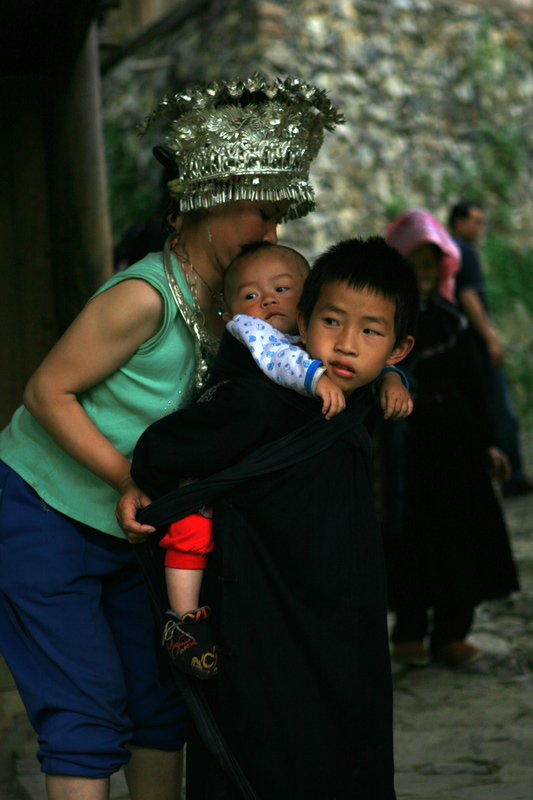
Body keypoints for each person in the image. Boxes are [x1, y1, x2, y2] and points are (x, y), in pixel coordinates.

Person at [0, 74, 342, 800]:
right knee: (86, 712)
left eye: (280, 218)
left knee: (161, 704)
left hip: (135, 526)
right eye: (261, 213)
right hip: (41, 513)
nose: (272, 235)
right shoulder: (141, 296)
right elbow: (45, 392)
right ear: (206, 202)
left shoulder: (237, 307)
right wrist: (130, 479)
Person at [130, 236, 418, 800]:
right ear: (303, 321)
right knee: (265, 761)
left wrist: (390, 381)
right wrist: (141, 485)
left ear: (398, 348)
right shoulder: (254, 401)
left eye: (370, 332)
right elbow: (158, 453)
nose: (346, 344)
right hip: (262, 625)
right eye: (332, 321)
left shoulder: (361, 400)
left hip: (344, 623)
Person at [160, 240, 412, 679]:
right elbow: (281, 362)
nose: (267, 302)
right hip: (215, 498)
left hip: (328, 586)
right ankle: (183, 623)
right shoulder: (255, 350)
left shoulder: (342, 374)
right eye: (251, 296)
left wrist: (392, 377)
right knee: (189, 535)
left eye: (281, 288)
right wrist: (316, 379)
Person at [383, 208, 520, 668]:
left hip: (457, 441)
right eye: (413, 267)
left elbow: (474, 386)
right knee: (413, 535)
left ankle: (451, 631)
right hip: (410, 445)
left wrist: (491, 443)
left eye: (429, 268)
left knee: (461, 533)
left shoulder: (451, 319)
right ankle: (410, 629)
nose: (422, 276)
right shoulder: (384, 324)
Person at [449, 200, 533, 497]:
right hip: (477, 343)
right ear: (459, 222)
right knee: (501, 410)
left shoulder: (452, 250)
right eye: (475, 221)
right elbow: (468, 295)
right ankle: (513, 476)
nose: (480, 228)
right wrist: (490, 338)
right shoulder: (463, 250)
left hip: (467, 344)